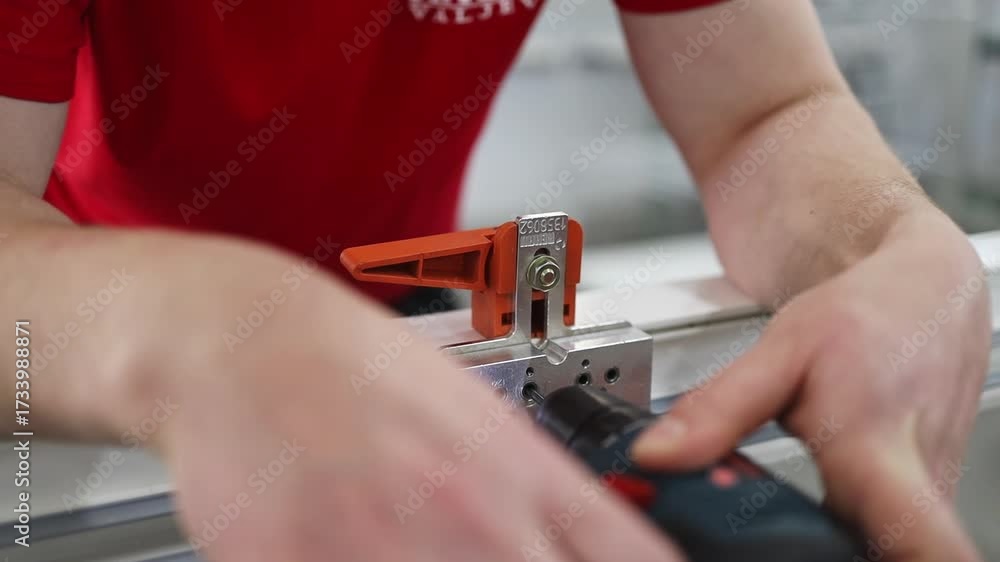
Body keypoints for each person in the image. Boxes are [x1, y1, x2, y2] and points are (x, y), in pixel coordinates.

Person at [0, 0, 989, 560]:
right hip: (85, 327)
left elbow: (764, 110)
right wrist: (210, 339)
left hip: (411, 311)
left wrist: (889, 242)